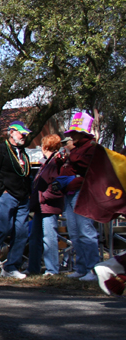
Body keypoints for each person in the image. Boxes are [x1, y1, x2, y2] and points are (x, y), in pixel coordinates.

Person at [0, 121, 33, 278]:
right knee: (3, 228)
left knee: (22, 233)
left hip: (22, 199)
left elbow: (26, 174)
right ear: (11, 132)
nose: (24, 137)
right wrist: (2, 191)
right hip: (6, 197)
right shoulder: (0, 151)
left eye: (25, 134)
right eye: (21, 134)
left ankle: (11, 267)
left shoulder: (23, 152)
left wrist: (28, 192)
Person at [58, 112, 100, 281]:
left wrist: (72, 157)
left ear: (83, 133)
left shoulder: (92, 148)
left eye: (74, 133)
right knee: (74, 233)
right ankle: (81, 267)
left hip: (83, 195)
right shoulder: (76, 150)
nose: (71, 136)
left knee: (86, 232)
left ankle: (93, 269)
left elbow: (88, 166)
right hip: (69, 195)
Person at [27, 134, 65, 276]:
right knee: (35, 237)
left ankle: (52, 269)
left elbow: (56, 185)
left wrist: (43, 197)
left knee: (49, 237)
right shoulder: (47, 163)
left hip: (49, 206)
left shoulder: (55, 163)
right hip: (40, 206)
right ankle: (33, 268)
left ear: (46, 146)